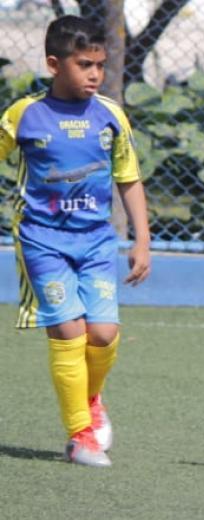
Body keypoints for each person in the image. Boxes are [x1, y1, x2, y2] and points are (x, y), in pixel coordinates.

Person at [1, 16, 152, 468]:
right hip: (41, 241)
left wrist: (142, 240)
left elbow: (129, 178)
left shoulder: (110, 115)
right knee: (68, 330)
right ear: (54, 64)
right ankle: (80, 436)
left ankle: (90, 398)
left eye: (100, 65)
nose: (94, 74)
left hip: (96, 243)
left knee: (103, 334)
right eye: (84, 64)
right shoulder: (24, 114)